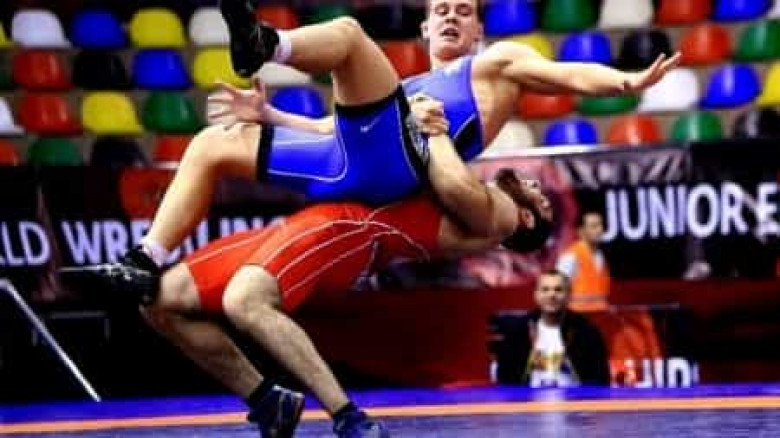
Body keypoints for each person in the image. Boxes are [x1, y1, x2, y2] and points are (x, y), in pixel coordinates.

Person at [63, 0, 677, 320]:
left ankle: (267, 43)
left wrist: (625, 82)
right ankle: (144, 260)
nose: (450, 17)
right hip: (348, 158)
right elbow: (332, 129)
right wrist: (268, 115)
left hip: (396, 164)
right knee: (211, 145)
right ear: (424, 29)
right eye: (440, 11)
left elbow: (566, 72)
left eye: (463, 12)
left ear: (479, 32)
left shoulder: (493, 64)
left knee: (352, 38)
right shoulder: (403, 89)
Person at [142, 136, 553, 437]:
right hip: (316, 221)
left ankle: (348, 416)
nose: (535, 185)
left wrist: (435, 129)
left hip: (351, 227)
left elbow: (452, 182)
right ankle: (269, 400)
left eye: (542, 198)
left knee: (245, 300)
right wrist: (271, 117)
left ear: (527, 219)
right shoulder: (486, 209)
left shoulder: (501, 217)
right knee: (159, 300)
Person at [490, 270, 610, 387]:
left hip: (575, 398)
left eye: (558, 290)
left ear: (569, 295)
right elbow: (505, 379)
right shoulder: (518, 331)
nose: (551, 295)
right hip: (528, 399)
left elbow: (600, 380)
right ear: (536, 295)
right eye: (545, 289)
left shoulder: (586, 332)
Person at [556, 210, 611, 312]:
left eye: (601, 225)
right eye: (594, 226)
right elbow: (558, 290)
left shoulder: (600, 255)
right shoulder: (570, 257)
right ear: (581, 231)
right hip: (578, 315)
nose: (600, 230)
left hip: (600, 314)